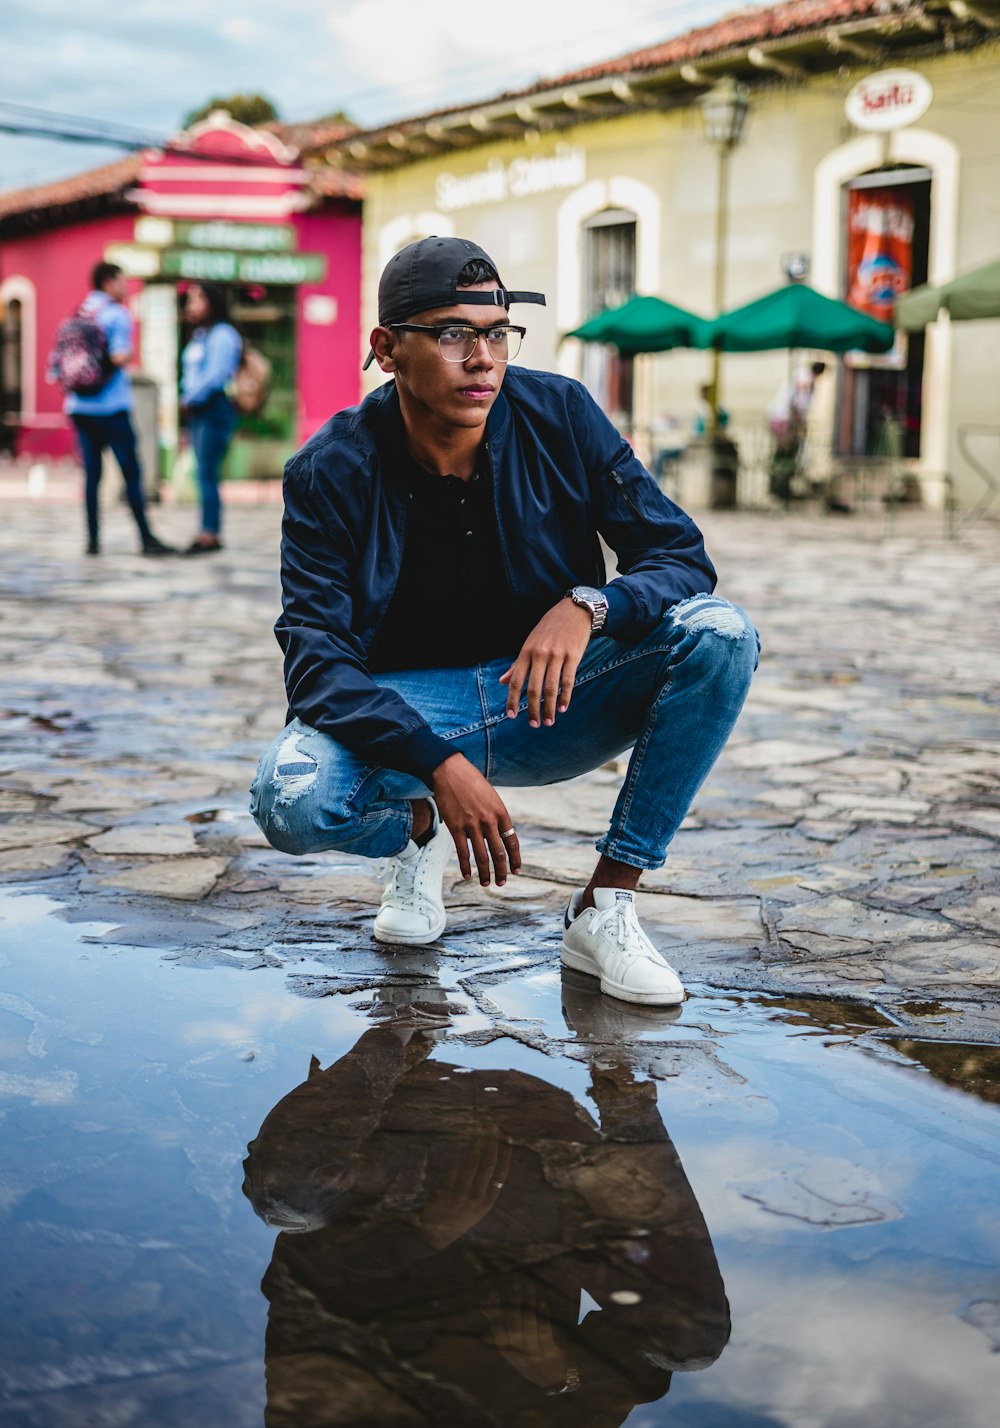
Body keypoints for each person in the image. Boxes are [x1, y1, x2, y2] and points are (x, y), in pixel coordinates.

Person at [250, 236, 758, 1007]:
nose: (482, 358)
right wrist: (439, 768)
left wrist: (591, 604)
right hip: (419, 713)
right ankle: (415, 831)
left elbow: (679, 555)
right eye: (453, 334)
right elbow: (317, 662)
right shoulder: (331, 470)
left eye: (496, 334)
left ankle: (605, 903)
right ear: (387, 349)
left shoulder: (560, 414)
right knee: (292, 802)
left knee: (720, 633)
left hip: (549, 699)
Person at [242, 978, 730, 1426]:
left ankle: (400, 1030)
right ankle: (622, 1091)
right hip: (537, 1188)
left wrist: (420, 1231)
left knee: (285, 1199)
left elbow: (297, 1288)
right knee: (693, 1343)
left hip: (392, 1169)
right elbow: (644, 1374)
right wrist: (562, 1376)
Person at [54, 261, 172, 557]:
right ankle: (146, 538)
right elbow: (119, 356)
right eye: (122, 281)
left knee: (92, 476)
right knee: (131, 473)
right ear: (108, 282)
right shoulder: (117, 314)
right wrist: (125, 355)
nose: (126, 287)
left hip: (79, 407)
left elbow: (57, 365)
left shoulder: (77, 313)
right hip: (112, 407)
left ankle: (93, 541)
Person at [179, 281, 242, 555]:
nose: (191, 306)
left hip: (213, 408)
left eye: (197, 300)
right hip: (198, 410)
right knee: (202, 472)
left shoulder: (223, 335)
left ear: (212, 303)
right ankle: (207, 529)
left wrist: (188, 398)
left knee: (207, 473)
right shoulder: (200, 336)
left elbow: (216, 377)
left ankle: (210, 533)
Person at [767, 360, 827, 503]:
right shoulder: (805, 379)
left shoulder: (801, 376)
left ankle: (781, 488)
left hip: (782, 419)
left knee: (786, 455)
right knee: (785, 455)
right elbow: (796, 403)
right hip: (784, 420)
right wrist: (799, 426)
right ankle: (779, 489)